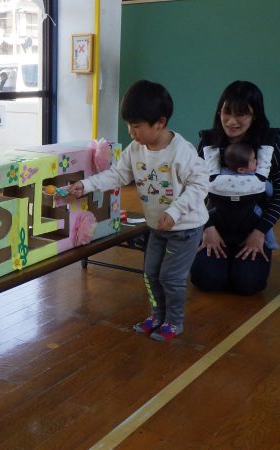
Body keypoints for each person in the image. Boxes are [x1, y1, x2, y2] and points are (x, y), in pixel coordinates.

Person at [66, 80, 209, 341]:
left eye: (136, 126)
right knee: (151, 274)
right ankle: (157, 315)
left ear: (160, 123)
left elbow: (200, 185)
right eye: (128, 125)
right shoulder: (135, 150)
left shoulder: (182, 151)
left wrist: (175, 212)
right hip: (156, 226)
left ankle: (174, 321)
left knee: (170, 277)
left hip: (185, 228)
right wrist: (86, 185)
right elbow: (117, 175)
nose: (131, 132)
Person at [190, 80, 280, 295]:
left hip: (253, 227)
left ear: (255, 115)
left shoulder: (269, 142)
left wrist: (260, 232)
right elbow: (192, 189)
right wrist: (207, 228)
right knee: (207, 280)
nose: (232, 121)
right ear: (219, 111)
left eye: (241, 114)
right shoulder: (209, 142)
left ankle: (242, 262)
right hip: (215, 226)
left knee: (248, 284)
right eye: (226, 112)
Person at [205, 142, 278, 251]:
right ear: (242, 170)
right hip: (251, 213)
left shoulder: (217, 175)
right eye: (253, 159)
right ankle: (271, 243)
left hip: (220, 213)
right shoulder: (256, 179)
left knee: (207, 214)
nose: (256, 161)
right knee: (264, 219)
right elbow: (270, 191)